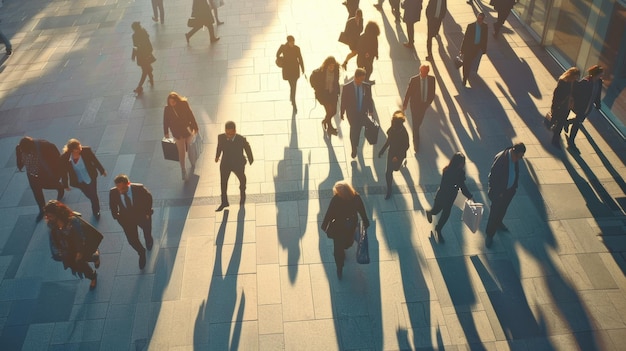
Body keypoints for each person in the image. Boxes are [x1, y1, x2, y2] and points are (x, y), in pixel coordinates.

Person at [44, 200, 99, 290]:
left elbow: (81, 235)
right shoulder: (52, 225)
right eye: (47, 216)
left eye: (50, 216)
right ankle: (94, 261)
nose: (48, 218)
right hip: (68, 251)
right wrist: (59, 252)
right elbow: (53, 239)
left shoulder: (72, 221)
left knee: (83, 263)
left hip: (78, 247)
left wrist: (80, 251)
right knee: (79, 266)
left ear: (56, 214)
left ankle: (93, 276)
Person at [321, 181, 370, 280]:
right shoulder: (356, 198)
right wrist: (365, 221)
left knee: (338, 249)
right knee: (346, 244)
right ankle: (340, 265)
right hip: (350, 226)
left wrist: (324, 225)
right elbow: (362, 211)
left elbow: (329, 213)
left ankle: (339, 266)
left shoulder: (336, 199)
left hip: (338, 228)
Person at [425, 152, 473, 243]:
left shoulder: (461, 173)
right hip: (442, 196)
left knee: (445, 215)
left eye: (463, 163)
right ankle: (429, 212)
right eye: (461, 163)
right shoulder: (447, 171)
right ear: (456, 163)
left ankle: (438, 229)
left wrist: (470, 196)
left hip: (450, 198)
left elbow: (462, 186)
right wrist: (456, 185)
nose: (462, 165)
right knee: (436, 210)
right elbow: (445, 186)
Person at [485, 142, 525, 248]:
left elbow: (515, 173)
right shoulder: (501, 159)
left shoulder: (514, 158)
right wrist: (497, 193)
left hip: (508, 192)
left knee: (502, 210)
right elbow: (492, 177)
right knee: (494, 214)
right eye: (518, 157)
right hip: (499, 194)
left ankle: (499, 223)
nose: (518, 160)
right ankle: (489, 234)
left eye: (521, 158)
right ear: (513, 151)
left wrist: (514, 187)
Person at [109, 174, 154, 269]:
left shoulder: (139, 189)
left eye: (123, 188)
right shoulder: (113, 192)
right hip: (126, 220)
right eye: (119, 188)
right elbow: (112, 206)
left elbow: (149, 198)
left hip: (141, 216)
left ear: (128, 183)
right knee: (132, 240)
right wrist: (116, 216)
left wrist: (147, 213)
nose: (121, 191)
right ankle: (141, 252)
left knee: (147, 230)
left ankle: (148, 240)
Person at [15, 136, 65, 221]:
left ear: (30, 147)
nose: (24, 153)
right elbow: (20, 161)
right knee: (37, 192)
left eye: (26, 151)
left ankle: (59, 187)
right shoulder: (20, 149)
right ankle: (42, 209)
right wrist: (19, 159)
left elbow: (57, 157)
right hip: (31, 174)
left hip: (44, 173)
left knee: (47, 185)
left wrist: (58, 172)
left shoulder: (44, 146)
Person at [60, 139, 107, 218]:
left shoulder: (86, 151)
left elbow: (95, 160)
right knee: (88, 194)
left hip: (90, 177)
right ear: (73, 150)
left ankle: (96, 210)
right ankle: (94, 201)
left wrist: (102, 170)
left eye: (80, 146)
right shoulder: (65, 158)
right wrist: (65, 184)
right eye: (78, 148)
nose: (80, 149)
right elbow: (64, 172)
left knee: (93, 195)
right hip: (78, 181)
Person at [215, 121, 254, 211]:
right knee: (223, 182)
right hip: (225, 163)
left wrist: (250, 159)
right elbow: (219, 147)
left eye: (230, 133)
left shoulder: (241, 139)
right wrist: (217, 156)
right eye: (227, 133)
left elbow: (247, 148)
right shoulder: (221, 137)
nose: (228, 135)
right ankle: (224, 202)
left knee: (242, 179)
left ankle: (242, 193)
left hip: (238, 163)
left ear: (235, 131)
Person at [163, 92, 200, 180]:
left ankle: (192, 161)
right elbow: (165, 121)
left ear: (177, 100)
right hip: (177, 132)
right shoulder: (167, 109)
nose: (172, 103)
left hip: (187, 129)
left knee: (190, 146)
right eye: (170, 102)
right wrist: (166, 132)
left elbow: (190, 115)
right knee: (181, 151)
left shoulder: (184, 104)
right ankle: (183, 169)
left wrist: (195, 127)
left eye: (173, 101)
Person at [568, 65, 604, 151]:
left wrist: (598, 104)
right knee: (577, 123)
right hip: (582, 107)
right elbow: (576, 92)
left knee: (580, 120)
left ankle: (567, 122)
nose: (602, 76)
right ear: (596, 74)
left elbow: (597, 94)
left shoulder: (599, 82)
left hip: (588, 107)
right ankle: (571, 141)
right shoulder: (586, 82)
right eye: (601, 74)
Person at [341, 68, 374, 159]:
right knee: (353, 129)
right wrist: (342, 112)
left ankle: (355, 143)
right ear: (356, 77)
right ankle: (353, 147)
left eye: (363, 79)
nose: (362, 81)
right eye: (360, 79)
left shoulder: (366, 86)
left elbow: (369, 99)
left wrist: (371, 111)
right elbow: (343, 100)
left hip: (362, 113)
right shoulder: (347, 87)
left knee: (358, 129)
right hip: (352, 114)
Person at [402, 64, 435, 152]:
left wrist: (428, 103)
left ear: (428, 72)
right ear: (420, 71)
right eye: (422, 72)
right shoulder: (414, 80)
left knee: (419, 120)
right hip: (415, 105)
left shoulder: (432, 79)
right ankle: (416, 142)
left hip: (424, 105)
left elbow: (432, 93)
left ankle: (416, 130)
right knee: (416, 124)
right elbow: (408, 93)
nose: (423, 74)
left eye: (425, 72)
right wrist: (405, 104)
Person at [378, 111, 410, 199]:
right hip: (391, 153)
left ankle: (400, 164)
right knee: (388, 172)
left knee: (396, 168)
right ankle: (389, 189)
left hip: (398, 155)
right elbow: (389, 141)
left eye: (393, 123)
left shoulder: (404, 133)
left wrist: (398, 157)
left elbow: (406, 146)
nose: (392, 125)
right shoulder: (392, 129)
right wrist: (382, 150)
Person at [549, 67, 579, 148]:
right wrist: (554, 106)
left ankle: (555, 137)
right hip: (560, 106)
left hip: (567, 107)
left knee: (560, 123)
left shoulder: (574, 83)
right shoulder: (563, 82)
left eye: (576, 77)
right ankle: (554, 136)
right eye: (574, 77)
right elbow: (556, 95)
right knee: (558, 121)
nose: (575, 79)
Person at [311, 56, 341, 137]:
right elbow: (312, 78)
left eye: (333, 65)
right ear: (327, 65)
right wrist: (316, 87)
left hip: (333, 94)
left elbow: (336, 81)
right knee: (329, 111)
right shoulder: (321, 71)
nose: (332, 67)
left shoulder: (336, 71)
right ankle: (330, 128)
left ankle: (325, 121)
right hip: (324, 94)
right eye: (330, 65)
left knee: (334, 111)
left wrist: (338, 91)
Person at [276, 35, 305, 113]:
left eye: (293, 42)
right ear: (288, 42)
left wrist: (303, 68)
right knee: (292, 85)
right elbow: (277, 54)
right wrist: (280, 60)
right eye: (291, 42)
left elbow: (300, 58)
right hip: (287, 70)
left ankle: (293, 101)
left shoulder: (297, 48)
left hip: (295, 70)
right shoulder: (283, 47)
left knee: (293, 86)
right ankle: (292, 98)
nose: (292, 44)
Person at [460, 13, 488, 86]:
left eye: (480, 19)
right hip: (469, 48)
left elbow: (485, 38)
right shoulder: (471, 26)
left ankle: (469, 73)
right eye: (478, 18)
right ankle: (465, 78)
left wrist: (483, 49)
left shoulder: (485, 27)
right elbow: (465, 38)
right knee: (466, 63)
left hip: (477, 48)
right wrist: (462, 49)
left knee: (473, 63)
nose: (479, 20)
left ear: (483, 19)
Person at [131, 22, 155, 94]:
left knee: (144, 71)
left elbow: (135, 46)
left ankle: (139, 86)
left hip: (141, 55)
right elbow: (148, 42)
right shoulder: (144, 32)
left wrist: (133, 55)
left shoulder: (134, 36)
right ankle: (151, 79)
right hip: (147, 53)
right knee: (147, 68)